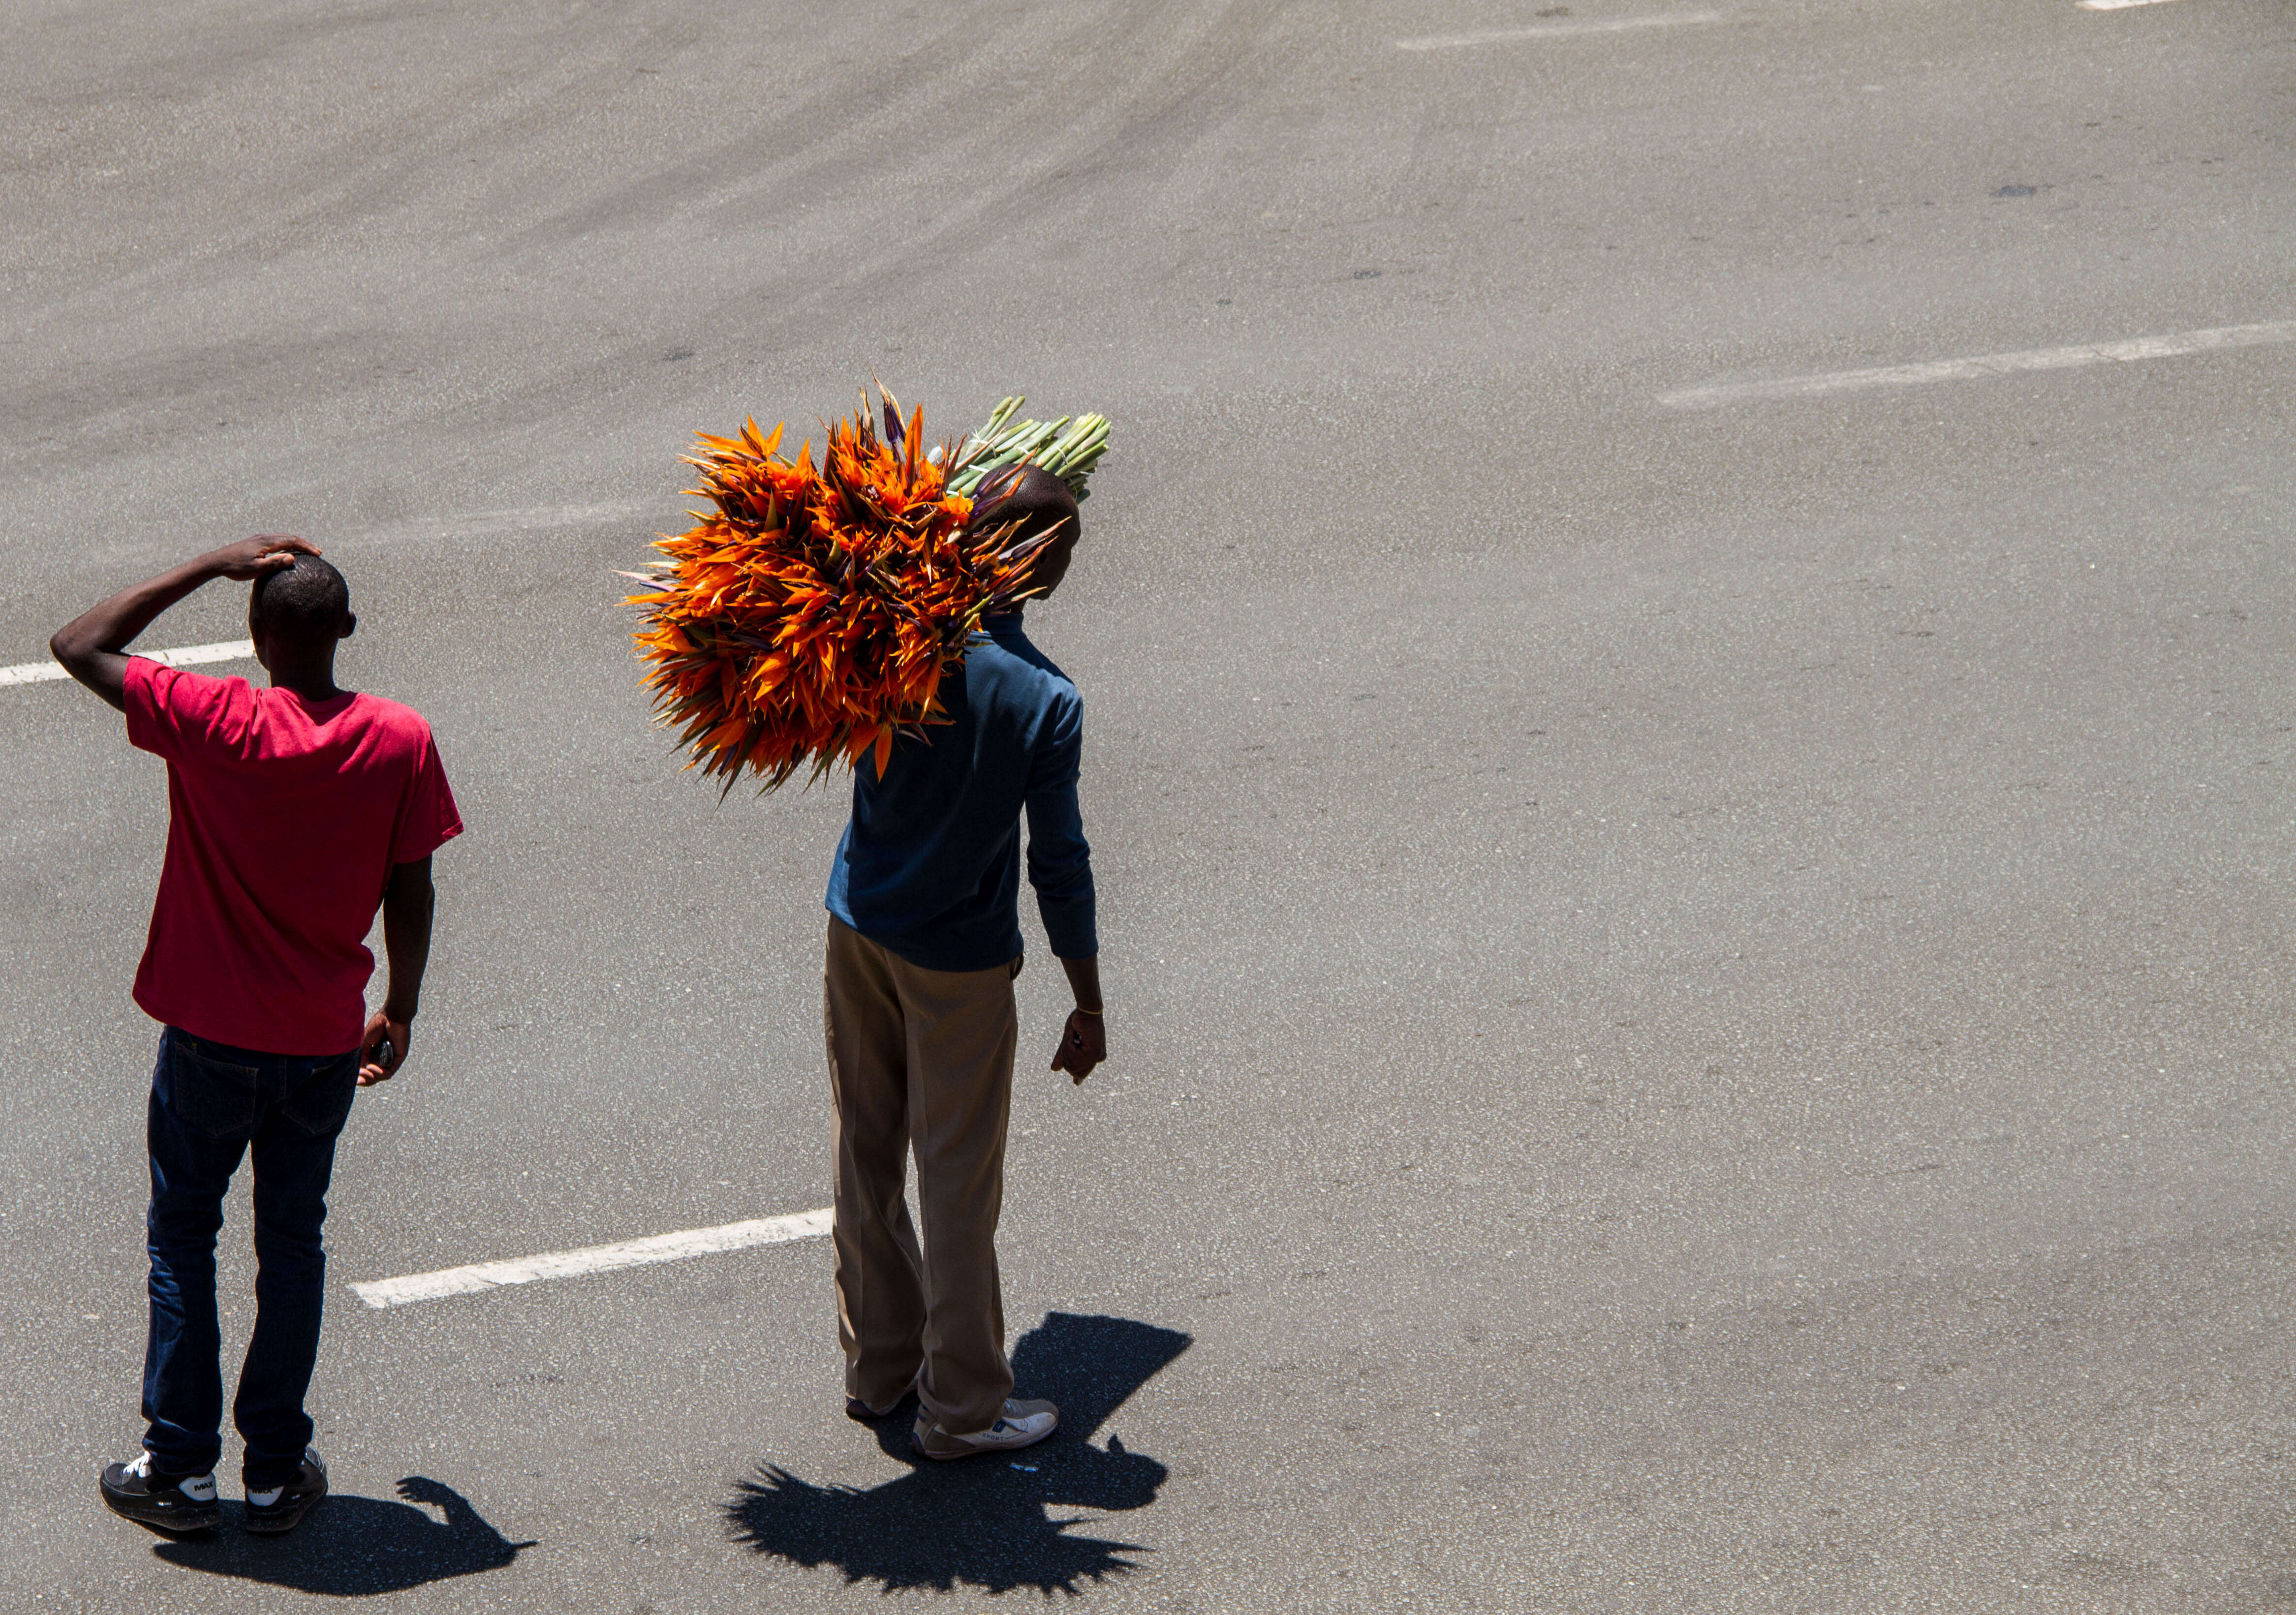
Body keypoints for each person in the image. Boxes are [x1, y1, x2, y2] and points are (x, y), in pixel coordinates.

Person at [50, 536, 461, 1535]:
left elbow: (79, 642)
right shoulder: (400, 739)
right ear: (346, 633)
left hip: (206, 1041)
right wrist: (400, 1005)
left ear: (255, 637)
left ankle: (181, 1471)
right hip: (322, 1046)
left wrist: (206, 564)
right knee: (292, 1246)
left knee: (184, 1239)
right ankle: (275, 1468)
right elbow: (412, 887)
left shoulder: (213, 717)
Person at [822, 464, 1106, 1461]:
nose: (1068, 564)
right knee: (954, 1179)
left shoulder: (883, 631)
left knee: (864, 1146)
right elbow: (1057, 865)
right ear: (1031, 567)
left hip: (856, 923)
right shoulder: (1043, 700)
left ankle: (878, 1371)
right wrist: (1087, 998)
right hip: (958, 964)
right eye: (1061, 550)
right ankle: (964, 1408)